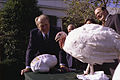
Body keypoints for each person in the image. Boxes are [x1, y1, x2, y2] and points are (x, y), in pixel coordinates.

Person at [94, 6, 119, 76]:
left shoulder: (115, 17)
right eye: (96, 15)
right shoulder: (102, 25)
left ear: (105, 11)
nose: (97, 15)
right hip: (109, 58)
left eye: (98, 12)